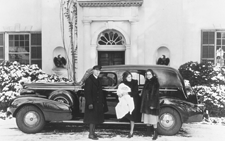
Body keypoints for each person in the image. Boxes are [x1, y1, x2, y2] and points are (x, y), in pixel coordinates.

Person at [83, 65, 105, 140]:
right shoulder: (89, 80)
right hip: (92, 103)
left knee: (95, 118)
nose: (98, 72)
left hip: (97, 103)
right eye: (96, 70)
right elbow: (87, 93)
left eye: (99, 71)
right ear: (93, 71)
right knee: (91, 119)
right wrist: (90, 103)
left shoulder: (98, 79)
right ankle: (91, 134)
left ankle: (93, 132)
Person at [118, 71, 140, 138]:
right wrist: (120, 94)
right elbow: (119, 91)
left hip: (133, 101)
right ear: (125, 77)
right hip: (124, 101)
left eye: (131, 76)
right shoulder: (122, 83)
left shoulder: (135, 82)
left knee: (131, 116)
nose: (130, 78)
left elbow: (135, 92)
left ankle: (131, 132)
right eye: (128, 77)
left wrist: (127, 93)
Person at [140, 69, 160, 140]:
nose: (148, 76)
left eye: (149, 74)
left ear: (152, 74)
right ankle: (148, 132)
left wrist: (153, 105)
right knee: (148, 118)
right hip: (146, 103)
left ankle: (155, 134)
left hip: (152, 103)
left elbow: (155, 95)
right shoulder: (147, 81)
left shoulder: (155, 82)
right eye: (147, 74)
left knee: (153, 119)